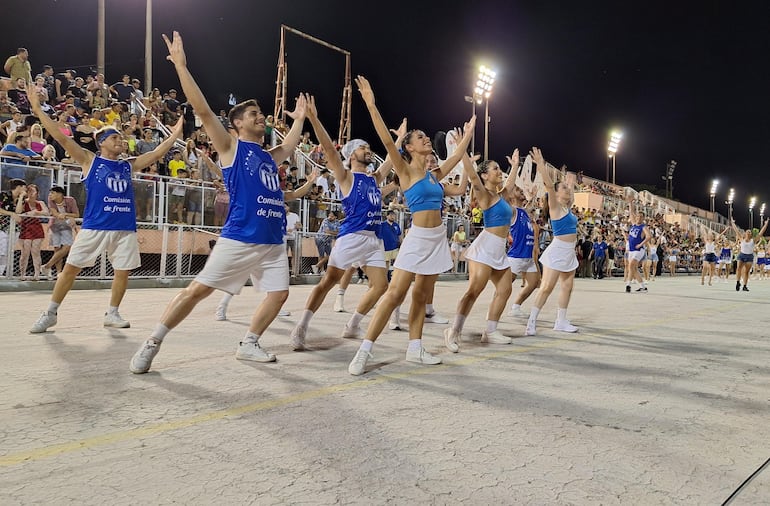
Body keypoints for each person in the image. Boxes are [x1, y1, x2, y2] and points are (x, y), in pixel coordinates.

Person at [129, 31, 309, 373]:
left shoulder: (268, 155)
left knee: (279, 294)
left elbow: (289, 146)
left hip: (271, 241)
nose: (262, 117)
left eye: (262, 114)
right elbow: (203, 109)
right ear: (238, 123)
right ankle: (153, 341)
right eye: (255, 114)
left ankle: (249, 343)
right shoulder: (231, 148)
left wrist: (299, 119)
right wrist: (182, 66)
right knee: (198, 291)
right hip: (241, 235)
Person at [26, 76, 183, 333]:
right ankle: (51, 313)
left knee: (122, 271)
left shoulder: (127, 165)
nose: (121, 142)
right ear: (102, 143)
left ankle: (112, 312)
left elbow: (155, 154)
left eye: (121, 139)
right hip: (95, 226)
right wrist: (36, 107)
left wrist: (174, 135)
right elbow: (61, 138)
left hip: (124, 227)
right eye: (116, 139)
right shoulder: (90, 160)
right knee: (71, 269)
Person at [347, 75, 475, 376]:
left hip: (437, 239)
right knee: (394, 294)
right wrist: (370, 104)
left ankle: (415, 348)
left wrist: (467, 135)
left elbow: (456, 156)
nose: (426, 139)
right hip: (417, 238)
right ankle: (364, 351)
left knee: (421, 295)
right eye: (420, 138)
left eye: (425, 137)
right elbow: (387, 139)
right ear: (409, 147)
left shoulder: (434, 174)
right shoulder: (403, 169)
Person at [290, 96, 397, 351]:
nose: (368, 150)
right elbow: (328, 149)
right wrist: (314, 119)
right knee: (328, 282)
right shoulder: (346, 176)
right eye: (364, 148)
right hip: (351, 236)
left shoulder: (373, 178)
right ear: (351, 155)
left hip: (372, 238)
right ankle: (301, 326)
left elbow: (392, 156)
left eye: (369, 147)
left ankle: (352, 325)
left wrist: (400, 141)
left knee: (381, 286)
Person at [444, 152, 515, 352]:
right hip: (485, 248)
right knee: (475, 289)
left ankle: (490, 331)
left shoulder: (501, 195)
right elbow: (472, 176)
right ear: (484, 175)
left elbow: (509, 185)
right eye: (495, 169)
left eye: (500, 169)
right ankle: (454, 331)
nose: (500, 172)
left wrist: (516, 165)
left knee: (505, 290)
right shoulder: (483, 195)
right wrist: (463, 151)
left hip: (499, 249)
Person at [525, 147, 579, 336]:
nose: (568, 189)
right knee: (547, 287)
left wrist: (569, 182)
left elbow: (568, 190)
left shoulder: (568, 208)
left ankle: (561, 321)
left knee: (568, 286)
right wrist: (540, 164)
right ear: (555, 194)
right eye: (563, 187)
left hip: (569, 252)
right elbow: (549, 185)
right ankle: (531, 322)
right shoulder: (555, 207)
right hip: (558, 250)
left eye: (567, 187)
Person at [502, 151, 541, 318]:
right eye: (517, 189)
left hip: (528, 258)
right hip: (516, 257)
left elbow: (529, 208)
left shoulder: (524, 212)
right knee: (503, 289)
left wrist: (531, 198)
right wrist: (514, 168)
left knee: (534, 283)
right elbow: (504, 194)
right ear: (511, 196)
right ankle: (493, 315)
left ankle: (516, 307)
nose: (520, 190)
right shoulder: (511, 211)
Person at [41, 185, 79, 279]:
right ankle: (59, 273)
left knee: (67, 247)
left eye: (52, 193)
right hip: (55, 225)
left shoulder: (70, 200)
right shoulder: (51, 201)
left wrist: (65, 214)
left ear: (60, 194)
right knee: (57, 249)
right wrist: (65, 216)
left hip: (67, 226)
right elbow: (55, 214)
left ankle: (47, 266)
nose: (50, 195)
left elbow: (76, 214)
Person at [16, 183, 49, 280]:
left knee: (35, 252)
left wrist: (36, 212)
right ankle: (22, 274)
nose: (31, 193)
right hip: (25, 228)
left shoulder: (40, 203)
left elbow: (46, 212)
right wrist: (27, 213)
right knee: (25, 252)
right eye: (29, 191)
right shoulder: (23, 202)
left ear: (37, 193)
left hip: (36, 228)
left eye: (33, 191)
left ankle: (37, 274)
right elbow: (19, 212)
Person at [731, 218, 769, 292]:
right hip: (741, 255)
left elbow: (761, 232)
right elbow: (736, 230)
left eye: (750, 232)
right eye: (747, 232)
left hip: (749, 256)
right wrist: (732, 223)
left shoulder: (753, 240)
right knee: (738, 269)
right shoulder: (741, 239)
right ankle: (738, 282)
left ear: (751, 234)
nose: (749, 233)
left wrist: (766, 224)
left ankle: (745, 285)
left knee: (747, 272)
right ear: (745, 233)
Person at [0, 178, 27, 276]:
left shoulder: (22, 199)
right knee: (2, 250)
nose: (26, 189)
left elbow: (19, 212)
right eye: (24, 187)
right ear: (19, 187)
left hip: (14, 228)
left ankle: (2, 273)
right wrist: (11, 214)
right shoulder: (3, 195)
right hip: (2, 226)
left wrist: (20, 198)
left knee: (8, 251)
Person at [623, 208, 651, 293]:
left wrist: (641, 244)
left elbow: (649, 236)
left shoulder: (643, 227)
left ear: (643, 218)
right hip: (631, 249)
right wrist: (631, 203)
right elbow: (631, 213)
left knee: (631, 265)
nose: (638, 218)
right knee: (633, 268)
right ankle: (643, 287)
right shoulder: (634, 224)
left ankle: (628, 284)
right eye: (638, 216)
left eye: (641, 217)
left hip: (638, 249)